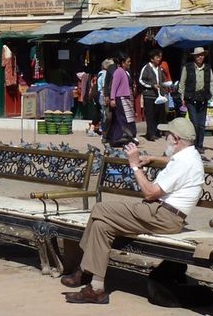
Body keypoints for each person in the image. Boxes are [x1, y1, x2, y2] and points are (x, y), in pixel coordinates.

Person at [59, 117, 205, 304]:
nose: (164, 137)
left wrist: (134, 164)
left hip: (162, 215)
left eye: (167, 134)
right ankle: (96, 288)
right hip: (162, 213)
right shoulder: (190, 155)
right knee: (102, 226)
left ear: (175, 139)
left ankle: (82, 269)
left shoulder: (183, 163)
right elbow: (172, 161)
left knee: (100, 209)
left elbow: (150, 192)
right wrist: (153, 158)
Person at [178, 47, 213, 153]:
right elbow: (182, 83)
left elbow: (211, 83)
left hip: (203, 98)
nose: (200, 57)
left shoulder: (208, 68)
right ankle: (193, 144)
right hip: (190, 98)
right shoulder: (187, 67)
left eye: (201, 55)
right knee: (194, 122)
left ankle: (200, 145)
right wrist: (182, 96)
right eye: (197, 55)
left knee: (201, 124)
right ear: (194, 56)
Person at [106, 56, 136, 147]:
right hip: (120, 98)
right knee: (121, 119)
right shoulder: (119, 71)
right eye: (128, 62)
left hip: (126, 97)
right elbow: (114, 86)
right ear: (123, 63)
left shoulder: (126, 72)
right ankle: (117, 139)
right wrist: (112, 99)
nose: (129, 63)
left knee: (125, 118)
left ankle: (125, 138)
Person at [138, 49, 168, 141]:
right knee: (150, 115)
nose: (159, 59)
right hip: (149, 95)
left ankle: (156, 132)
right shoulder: (146, 68)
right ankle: (150, 134)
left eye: (160, 57)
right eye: (157, 57)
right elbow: (141, 80)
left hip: (159, 96)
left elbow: (162, 80)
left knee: (158, 114)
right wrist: (151, 85)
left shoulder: (159, 69)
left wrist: (165, 86)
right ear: (152, 59)